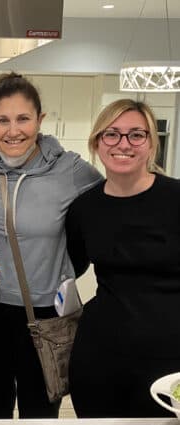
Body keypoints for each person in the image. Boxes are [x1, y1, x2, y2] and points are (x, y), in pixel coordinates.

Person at [0, 72, 102, 419]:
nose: (13, 130)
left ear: (40, 120)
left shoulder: (71, 170)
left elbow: (108, 208)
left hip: (47, 314)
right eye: (2, 120)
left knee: (41, 411)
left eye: (23, 119)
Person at [65, 99, 180, 418]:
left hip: (171, 358)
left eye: (136, 135)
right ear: (97, 142)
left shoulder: (176, 199)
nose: (123, 144)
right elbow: (68, 271)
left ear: (151, 143)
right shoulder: (84, 208)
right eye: (112, 134)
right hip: (101, 355)